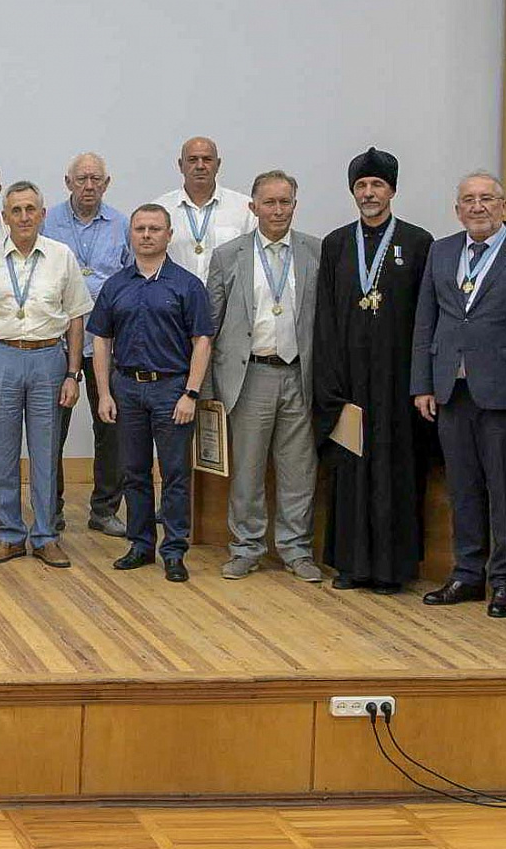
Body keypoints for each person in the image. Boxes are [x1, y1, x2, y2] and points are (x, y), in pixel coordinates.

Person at [409, 171, 506, 619]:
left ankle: (505, 581)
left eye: (487, 198)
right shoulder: (441, 251)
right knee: (462, 487)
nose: (478, 207)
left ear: (504, 205)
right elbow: (425, 322)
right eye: (468, 200)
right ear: (457, 210)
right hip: (451, 390)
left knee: (505, 490)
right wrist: (422, 383)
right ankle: (467, 573)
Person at [312, 148, 433, 595]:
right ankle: (350, 564)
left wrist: (421, 381)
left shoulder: (418, 243)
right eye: (361, 186)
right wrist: (330, 384)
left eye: (377, 185)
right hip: (349, 383)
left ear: (392, 191)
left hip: (398, 384)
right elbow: (325, 317)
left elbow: (427, 317)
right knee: (350, 472)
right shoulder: (336, 244)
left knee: (396, 474)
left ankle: (391, 569)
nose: (369, 193)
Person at [0, 182, 88, 565]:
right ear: (5, 216)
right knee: (2, 452)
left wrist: (73, 373)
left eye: (31, 209)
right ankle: (10, 534)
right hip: (1, 358)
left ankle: (46, 535)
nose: (24, 217)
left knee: (46, 452)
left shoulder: (62, 256)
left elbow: (76, 318)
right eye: (16, 210)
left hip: (49, 359)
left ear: (43, 214)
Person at [204, 171, 325, 583]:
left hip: (300, 375)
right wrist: (207, 388)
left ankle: (297, 549)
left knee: (299, 470)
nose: (277, 210)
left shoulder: (316, 252)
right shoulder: (228, 256)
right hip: (249, 375)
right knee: (248, 470)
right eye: (269, 202)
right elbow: (211, 325)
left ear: (295, 205)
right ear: (253, 207)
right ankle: (246, 547)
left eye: (284, 202)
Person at [92, 205, 213, 582]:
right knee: (133, 472)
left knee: (175, 474)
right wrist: (104, 393)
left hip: (172, 390)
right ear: (130, 234)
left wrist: (191, 393)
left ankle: (174, 550)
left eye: (155, 229)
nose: (146, 235)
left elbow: (202, 340)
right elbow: (101, 340)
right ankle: (141, 544)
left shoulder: (187, 285)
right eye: (140, 228)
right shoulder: (116, 285)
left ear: (168, 235)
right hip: (127, 389)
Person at [44, 152, 130, 539]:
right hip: (57, 343)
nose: (89, 186)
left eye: (96, 179)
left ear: (106, 184)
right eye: (82, 179)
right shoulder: (48, 222)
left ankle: (104, 510)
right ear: (68, 182)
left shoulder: (122, 225)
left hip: (107, 344)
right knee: (50, 431)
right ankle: (51, 508)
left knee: (111, 429)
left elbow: (131, 278)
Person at [152, 136, 256, 282]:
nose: (200, 166)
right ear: (181, 165)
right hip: (174, 294)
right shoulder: (160, 210)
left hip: (227, 295)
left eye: (207, 159)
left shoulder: (245, 209)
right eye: (192, 160)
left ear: (218, 165)